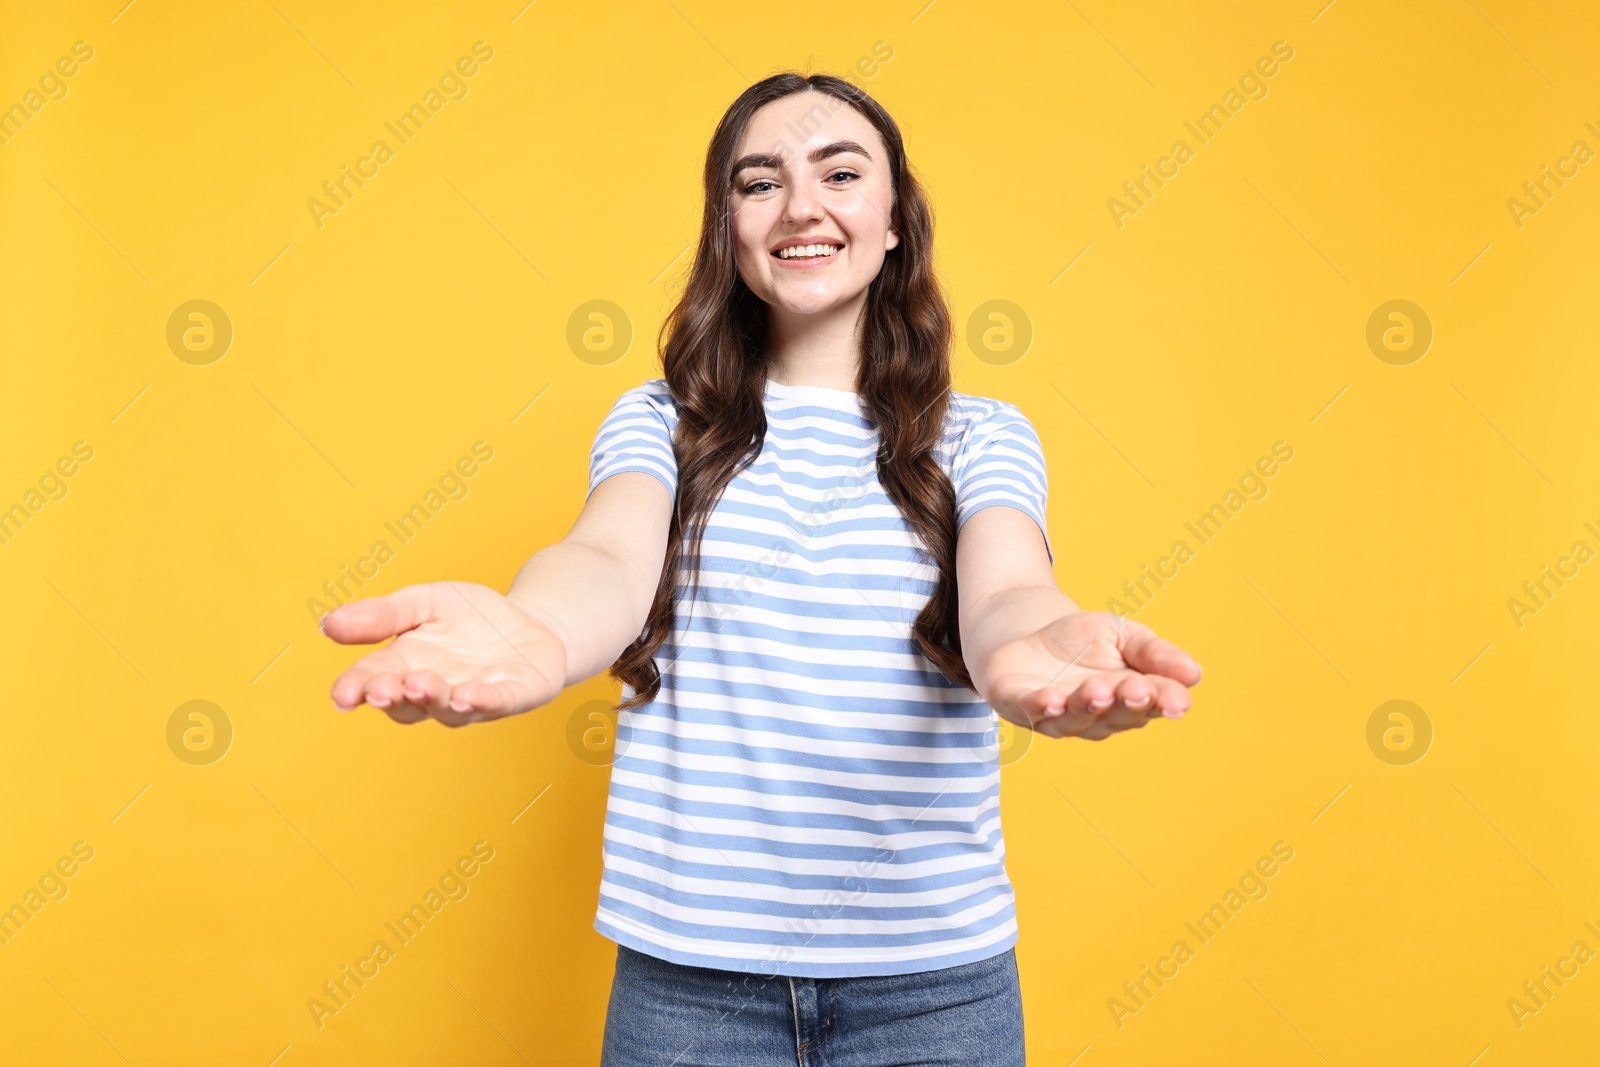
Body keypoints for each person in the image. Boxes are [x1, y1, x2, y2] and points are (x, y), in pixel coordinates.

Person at [322, 71, 1202, 1067]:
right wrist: (542, 625)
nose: (801, 207)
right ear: (727, 228)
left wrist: (1032, 648)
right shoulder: (661, 421)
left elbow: (1005, 588)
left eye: (840, 172)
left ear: (894, 218)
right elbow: (606, 553)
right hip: (689, 984)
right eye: (758, 181)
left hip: (933, 987)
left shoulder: (982, 435)